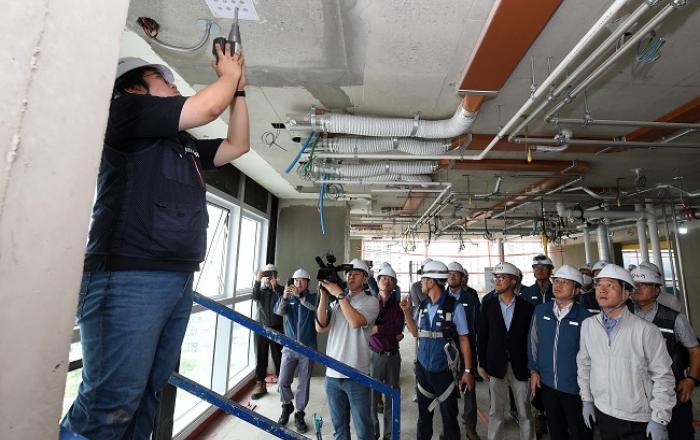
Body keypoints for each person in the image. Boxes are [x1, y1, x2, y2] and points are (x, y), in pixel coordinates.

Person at [61, 42, 250, 439]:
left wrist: (240, 91)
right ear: (133, 89)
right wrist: (229, 76)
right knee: (110, 403)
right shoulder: (125, 113)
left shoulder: (182, 143)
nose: (172, 83)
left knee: (147, 394)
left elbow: (238, 145)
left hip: (176, 277)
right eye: (161, 78)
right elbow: (207, 108)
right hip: (128, 275)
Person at [577, 264, 675, 440]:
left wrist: (659, 419)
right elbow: (584, 365)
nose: (602, 290)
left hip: (636, 418)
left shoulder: (646, 330)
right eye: (599, 285)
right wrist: (587, 399)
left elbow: (663, 377)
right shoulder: (588, 326)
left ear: (626, 293)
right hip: (603, 412)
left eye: (610, 285)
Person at [401, 260, 475, 440]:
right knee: (423, 419)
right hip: (423, 372)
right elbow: (415, 332)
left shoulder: (454, 307)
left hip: (444, 373)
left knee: (449, 420)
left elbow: (464, 339)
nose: (421, 283)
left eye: (423, 279)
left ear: (432, 281)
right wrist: (406, 312)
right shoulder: (423, 306)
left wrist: (467, 371)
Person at [630, 265, 700, 439]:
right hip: (635, 395)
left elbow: (695, 350)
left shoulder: (675, 319)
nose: (638, 288)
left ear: (657, 290)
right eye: (635, 284)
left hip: (671, 393)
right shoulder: (624, 317)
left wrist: (691, 379)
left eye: (644, 284)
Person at [316, 258, 379, 440]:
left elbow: (355, 322)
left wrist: (339, 294)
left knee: (364, 429)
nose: (351, 277)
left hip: (356, 374)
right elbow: (320, 326)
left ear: (365, 279)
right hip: (332, 375)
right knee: (339, 429)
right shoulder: (337, 303)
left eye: (356, 274)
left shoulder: (371, 302)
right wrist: (324, 294)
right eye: (349, 274)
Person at [528, 265, 592, 440]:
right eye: (556, 281)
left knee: (581, 433)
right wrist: (534, 371)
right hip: (548, 385)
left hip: (575, 389)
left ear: (576, 290)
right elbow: (533, 343)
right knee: (556, 432)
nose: (558, 285)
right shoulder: (541, 311)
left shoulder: (585, 317)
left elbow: (591, 355)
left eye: (565, 282)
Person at [479, 262, 535, 440]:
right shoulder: (488, 306)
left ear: (513, 281)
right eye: (496, 277)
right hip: (496, 366)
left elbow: (531, 340)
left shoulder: (527, 308)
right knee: (496, 411)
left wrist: (533, 367)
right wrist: (482, 364)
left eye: (502, 278)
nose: (497, 281)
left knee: (525, 411)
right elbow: (482, 336)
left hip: (521, 366)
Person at [274, 268, 317, 433]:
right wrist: (285, 297)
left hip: (308, 348)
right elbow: (279, 312)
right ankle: (287, 405)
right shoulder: (287, 298)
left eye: (302, 281)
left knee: (303, 383)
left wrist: (300, 297)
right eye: (296, 280)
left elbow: (314, 308)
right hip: (289, 346)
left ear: (307, 283)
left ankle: (299, 413)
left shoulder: (312, 297)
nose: (298, 283)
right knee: (282, 381)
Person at [368, 265, 404, 440]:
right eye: (384, 278)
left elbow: (397, 328)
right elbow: (367, 326)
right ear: (378, 281)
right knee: (372, 398)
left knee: (391, 398)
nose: (387, 282)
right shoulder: (370, 303)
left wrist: (379, 328)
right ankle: (373, 433)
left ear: (394, 285)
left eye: (391, 280)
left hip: (392, 357)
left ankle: (388, 435)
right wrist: (388, 330)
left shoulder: (398, 307)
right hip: (374, 355)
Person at [447, 261, 481, 440]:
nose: (452, 276)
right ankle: (448, 428)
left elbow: (477, 327)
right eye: (449, 273)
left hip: (466, 352)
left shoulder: (471, 300)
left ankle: (470, 427)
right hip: (446, 354)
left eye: (456, 273)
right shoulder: (440, 298)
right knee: (446, 392)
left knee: (469, 390)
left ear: (462, 278)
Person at [251, 264, 284, 399]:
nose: (269, 277)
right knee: (260, 356)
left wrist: (276, 286)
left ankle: (282, 383)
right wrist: (257, 280)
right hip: (260, 327)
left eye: (272, 274)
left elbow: (285, 298)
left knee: (279, 356)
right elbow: (255, 296)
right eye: (267, 274)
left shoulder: (280, 290)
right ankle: (260, 383)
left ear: (275, 275)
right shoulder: (260, 290)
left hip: (277, 326)